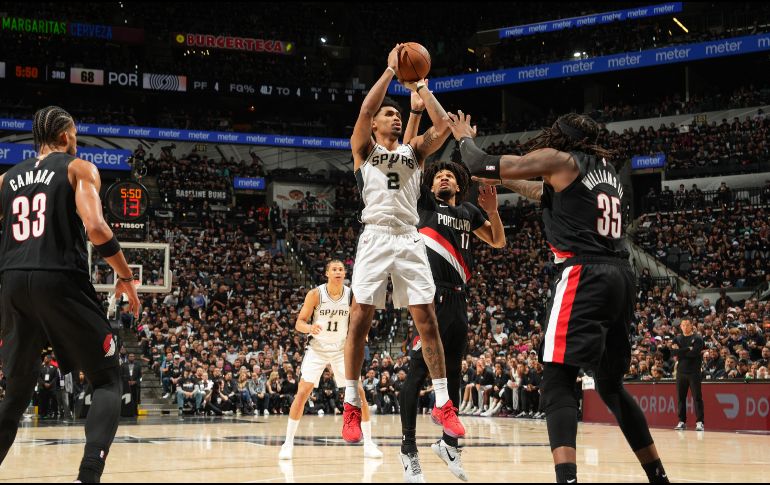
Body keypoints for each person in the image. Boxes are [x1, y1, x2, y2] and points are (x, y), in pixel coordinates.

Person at [447, 110, 669, 483]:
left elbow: (479, 163)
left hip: (585, 272)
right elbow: (542, 190)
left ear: (561, 138)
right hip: (621, 276)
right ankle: (657, 475)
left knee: (556, 379)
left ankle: (566, 478)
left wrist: (463, 136)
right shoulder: (605, 171)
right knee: (610, 386)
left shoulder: (561, 159)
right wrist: (510, 186)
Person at [0, 106, 140, 482]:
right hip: (58, 278)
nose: (76, 142)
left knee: (14, 396)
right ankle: (88, 475)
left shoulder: (7, 179)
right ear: (64, 137)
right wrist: (125, 276)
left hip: (12, 282)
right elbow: (94, 226)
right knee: (108, 379)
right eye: (75, 135)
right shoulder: (78, 168)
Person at [344, 44, 463, 446]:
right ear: (377, 124)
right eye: (389, 114)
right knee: (360, 318)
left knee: (427, 319)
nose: (395, 117)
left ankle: (444, 403)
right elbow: (363, 110)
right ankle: (350, 405)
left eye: (398, 114)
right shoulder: (364, 150)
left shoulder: (414, 152)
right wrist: (390, 70)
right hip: (375, 235)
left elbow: (443, 126)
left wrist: (422, 89)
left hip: (409, 236)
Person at [397, 93, 506, 480]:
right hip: (429, 298)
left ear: (459, 182)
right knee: (416, 374)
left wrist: (493, 212)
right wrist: (421, 103)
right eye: (438, 174)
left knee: (455, 375)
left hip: (459, 301)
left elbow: (497, 241)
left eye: (449, 175)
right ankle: (408, 448)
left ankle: (449, 445)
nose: (443, 176)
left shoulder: (468, 211)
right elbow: (415, 157)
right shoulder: (423, 205)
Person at [280, 261, 382, 460]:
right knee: (302, 393)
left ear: (344, 274)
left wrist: (362, 333)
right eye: (334, 269)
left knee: (358, 393)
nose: (337, 272)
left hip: (341, 349)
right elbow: (299, 323)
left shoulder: (351, 294)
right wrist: (310, 328)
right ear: (327, 273)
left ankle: (369, 443)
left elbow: (359, 320)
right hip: (317, 348)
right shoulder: (315, 294)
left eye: (341, 269)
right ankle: (287, 443)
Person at [673, 319, 705, 431]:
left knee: (697, 397)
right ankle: (681, 422)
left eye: (687, 325)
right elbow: (673, 353)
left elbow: (694, 353)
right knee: (680, 398)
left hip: (694, 372)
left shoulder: (697, 338)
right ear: (680, 326)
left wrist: (680, 352)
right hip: (681, 372)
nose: (685, 327)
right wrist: (687, 349)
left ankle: (700, 422)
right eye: (683, 325)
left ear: (692, 326)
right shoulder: (677, 338)